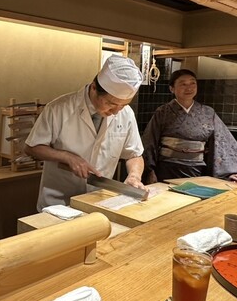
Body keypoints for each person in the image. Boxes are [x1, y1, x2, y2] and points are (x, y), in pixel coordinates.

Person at [25, 54, 146, 211]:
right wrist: (67, 157)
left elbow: (134, 154)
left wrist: (134, 176)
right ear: (94, 87)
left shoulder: (126, 114)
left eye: (122, 105)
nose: (116, 111)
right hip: (58, 203)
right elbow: (32, 147)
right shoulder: (58, 108)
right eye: (111, 103)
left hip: (99, 201)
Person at [142, 69, 237, 184]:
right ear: (172, 88)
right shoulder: (163, 112)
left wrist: (230, 172)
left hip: (197, 170)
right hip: (167, 169)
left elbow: (222, 141)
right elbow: (149, 141)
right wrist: (149, 170)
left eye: (192, 83)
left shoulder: (208, 112)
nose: (189, 88)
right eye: (183, 84)